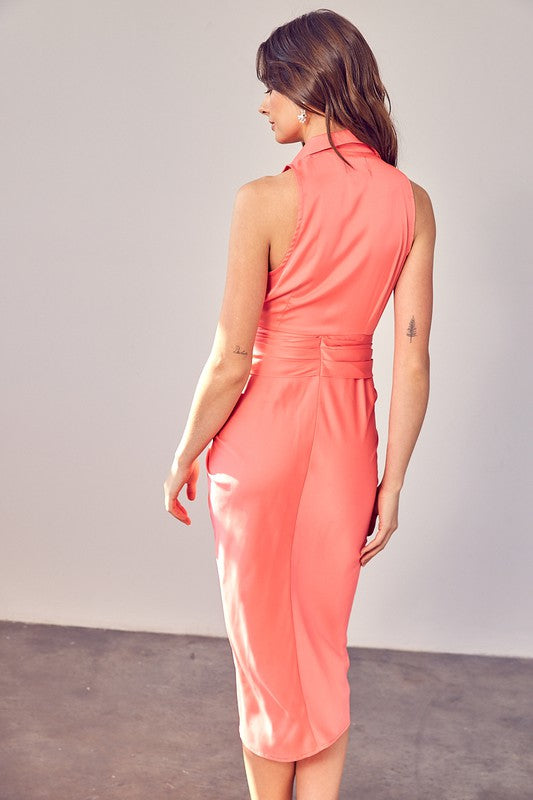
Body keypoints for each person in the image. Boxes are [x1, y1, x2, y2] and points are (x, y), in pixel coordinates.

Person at [163, 9, 435, 800]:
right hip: (348, 439)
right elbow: (412, 356)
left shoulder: (262, 201)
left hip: (261, 439)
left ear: (310, 87)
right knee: (321, 647)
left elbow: (229, 360)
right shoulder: (410, 202)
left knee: (263, 655)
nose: (262, 105)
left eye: (271, 86)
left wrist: (183, 451)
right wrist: (391, 483)